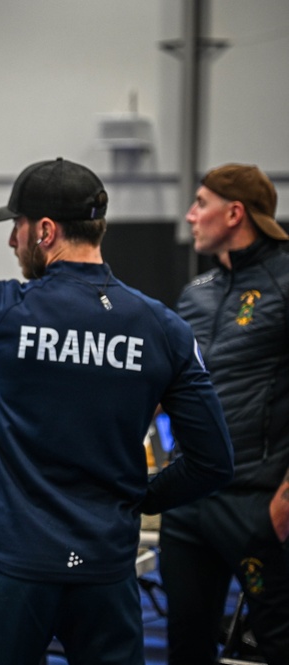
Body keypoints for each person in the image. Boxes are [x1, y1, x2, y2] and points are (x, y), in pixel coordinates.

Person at [0, 158, 234, 665]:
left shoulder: (5, 309)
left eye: (16, 227)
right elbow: (214, 460)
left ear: (44, 231)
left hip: (14, 568)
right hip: (106, 568)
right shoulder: (164, 328)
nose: (11, 241)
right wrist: (141, 499)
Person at [159, 163, 289, 665]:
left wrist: (282, 504)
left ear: (234, 213)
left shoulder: (284, 282)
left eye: (200, 203)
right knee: (186, 647)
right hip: (188, 505)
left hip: (257, 505)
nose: (190, 216)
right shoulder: (196, 293)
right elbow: (162, 385)